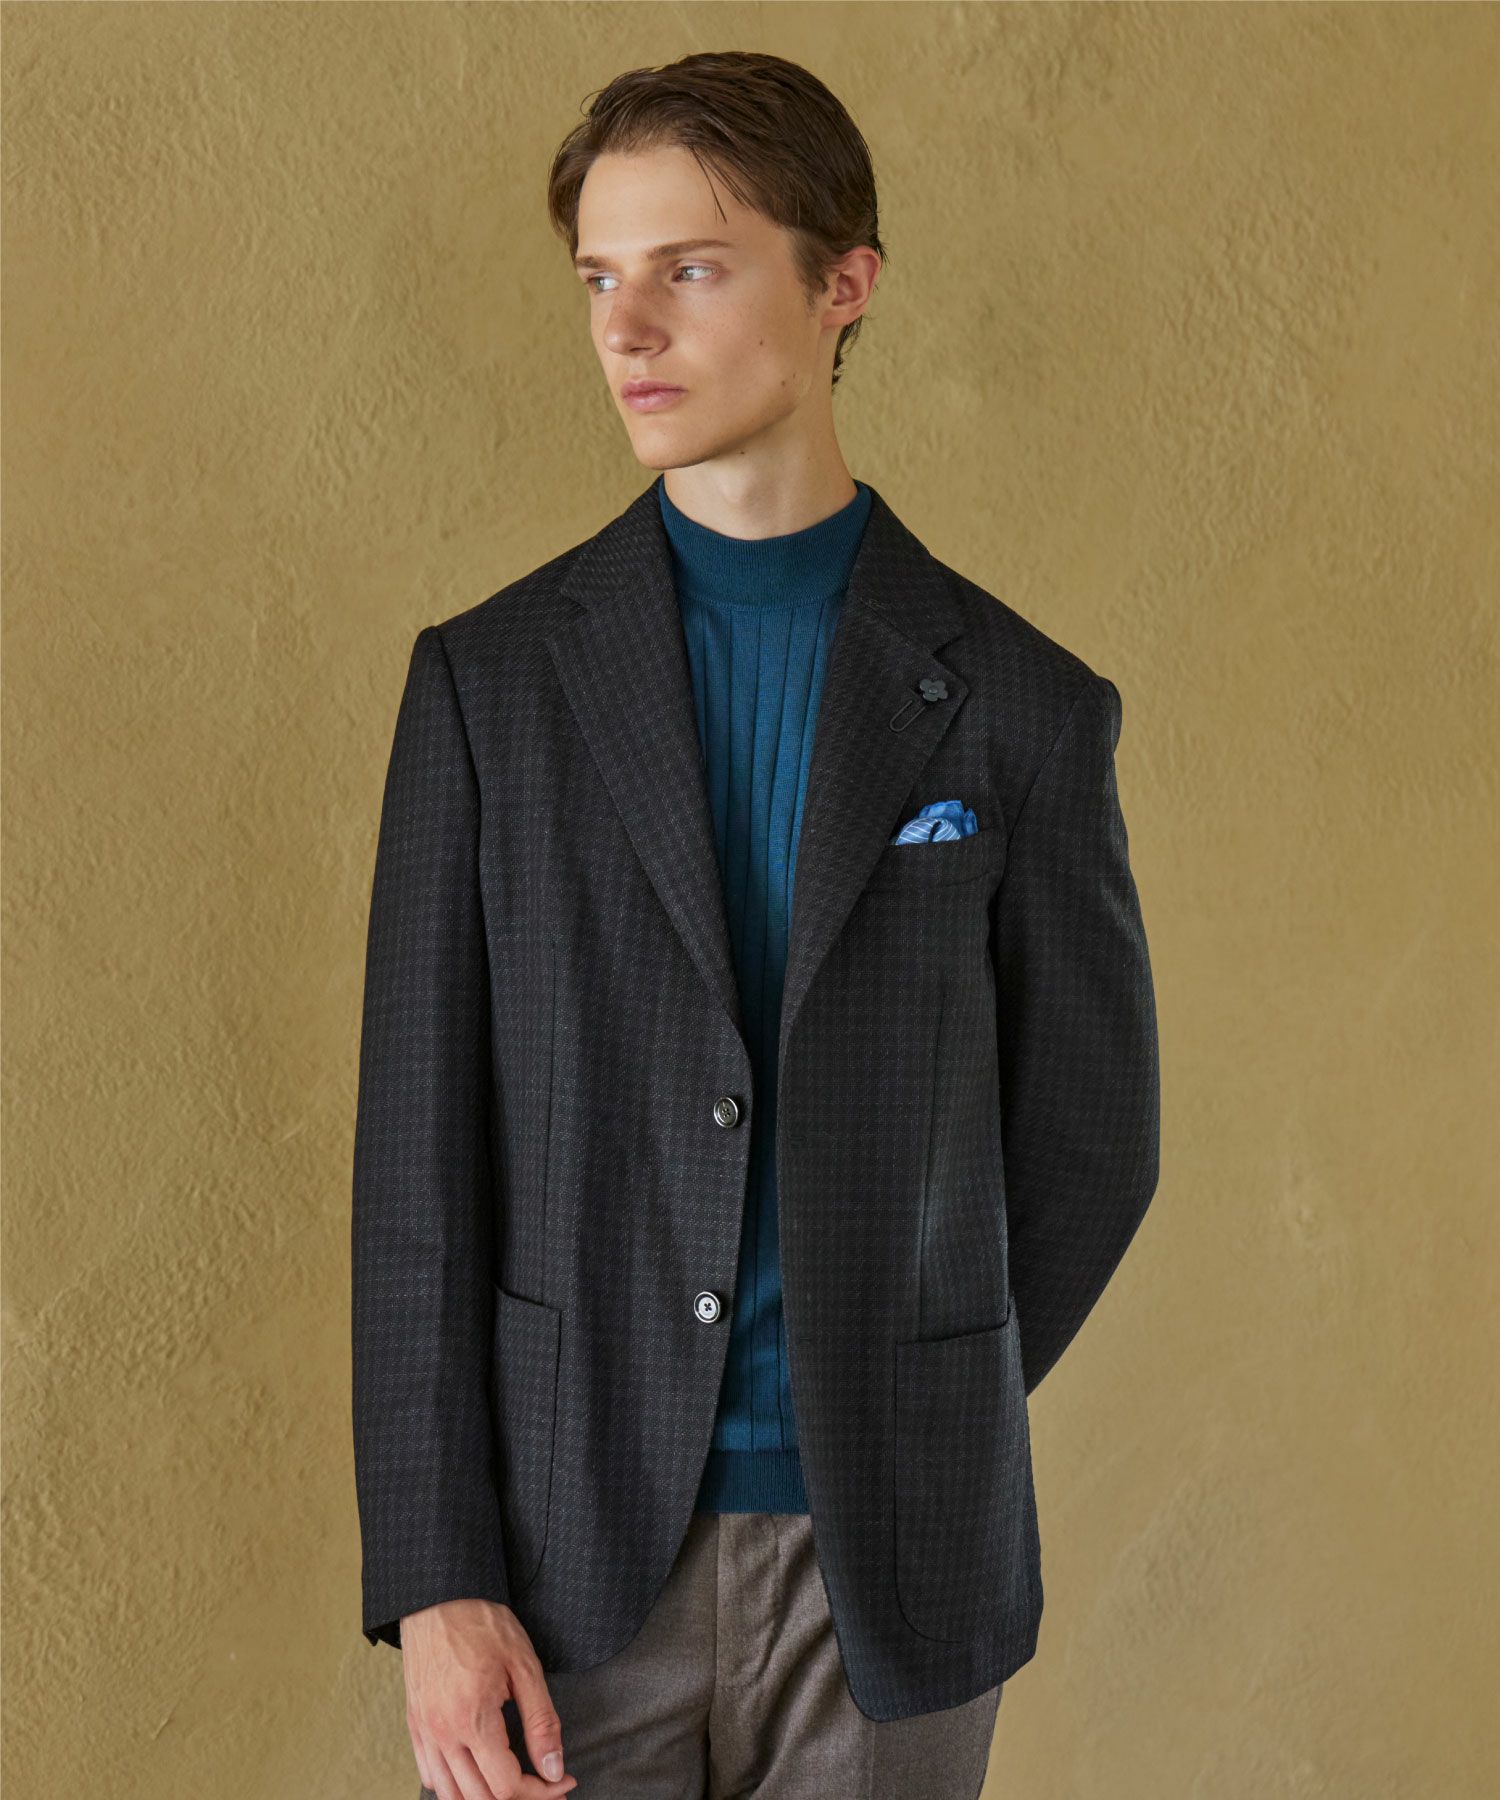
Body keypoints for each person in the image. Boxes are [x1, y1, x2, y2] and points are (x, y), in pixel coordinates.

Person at [352, 49, 1160, 1800]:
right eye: (599, 278)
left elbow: (1094, 1140)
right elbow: (416, 1171)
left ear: (843, 283)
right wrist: (435, 1575)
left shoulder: (1025, 709)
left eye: (691, 270)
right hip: (563, 1569)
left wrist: (914, 1381)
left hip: (896, 1579)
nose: (626, 329)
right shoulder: (489, 690)